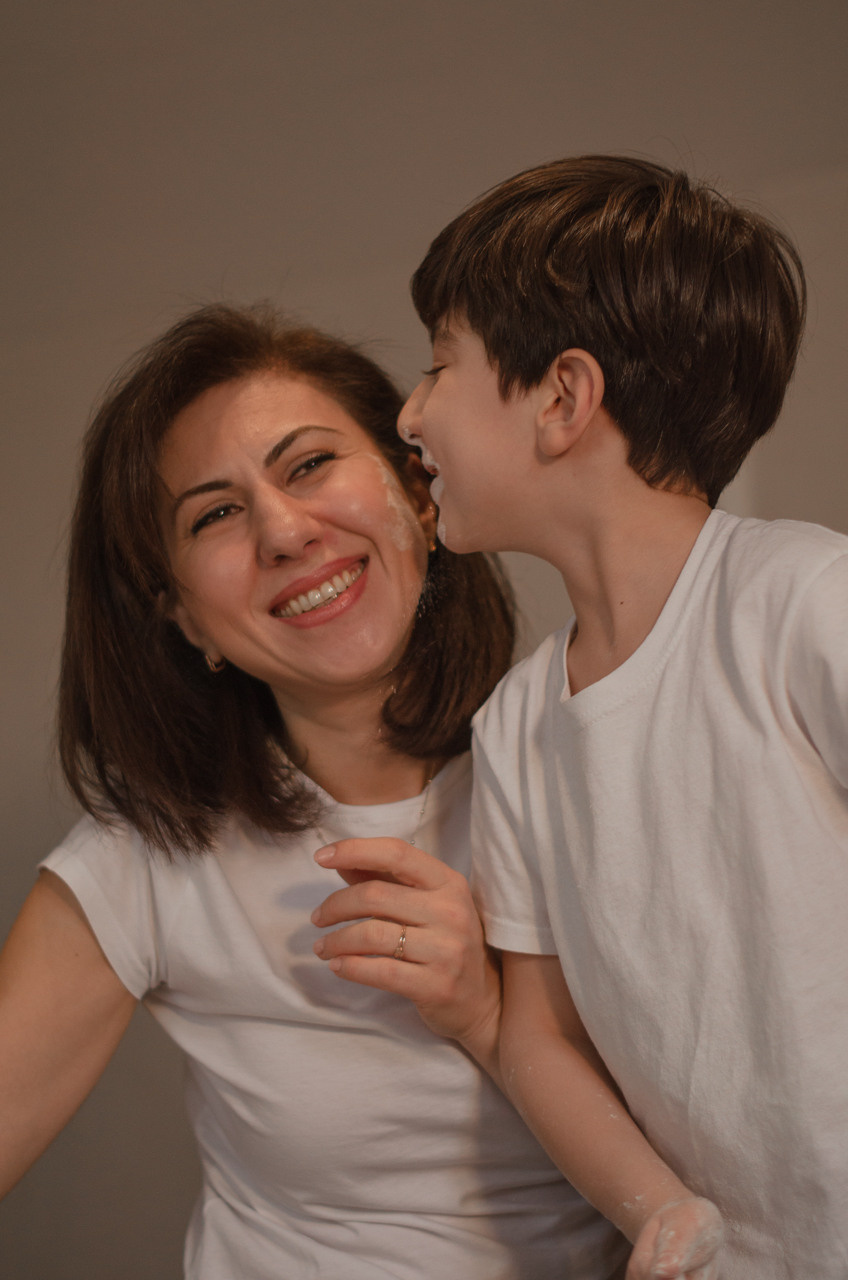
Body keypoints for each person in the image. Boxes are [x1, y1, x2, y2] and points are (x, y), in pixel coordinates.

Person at [0, 302, 645, 1279]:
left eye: (308, 465)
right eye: (213, 513)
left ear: (420, 500)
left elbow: (743, 1151)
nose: (284, 530)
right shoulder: (144, 855)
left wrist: (485, 1010)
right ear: (183, 618)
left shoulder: (600, 767)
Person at [395, 155, 848, 1279]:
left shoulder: (802, 602)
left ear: (560, 399)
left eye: (436, 366)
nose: (407, 414)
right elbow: (539, 1034)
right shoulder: (514, 731)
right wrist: (662, 1216)